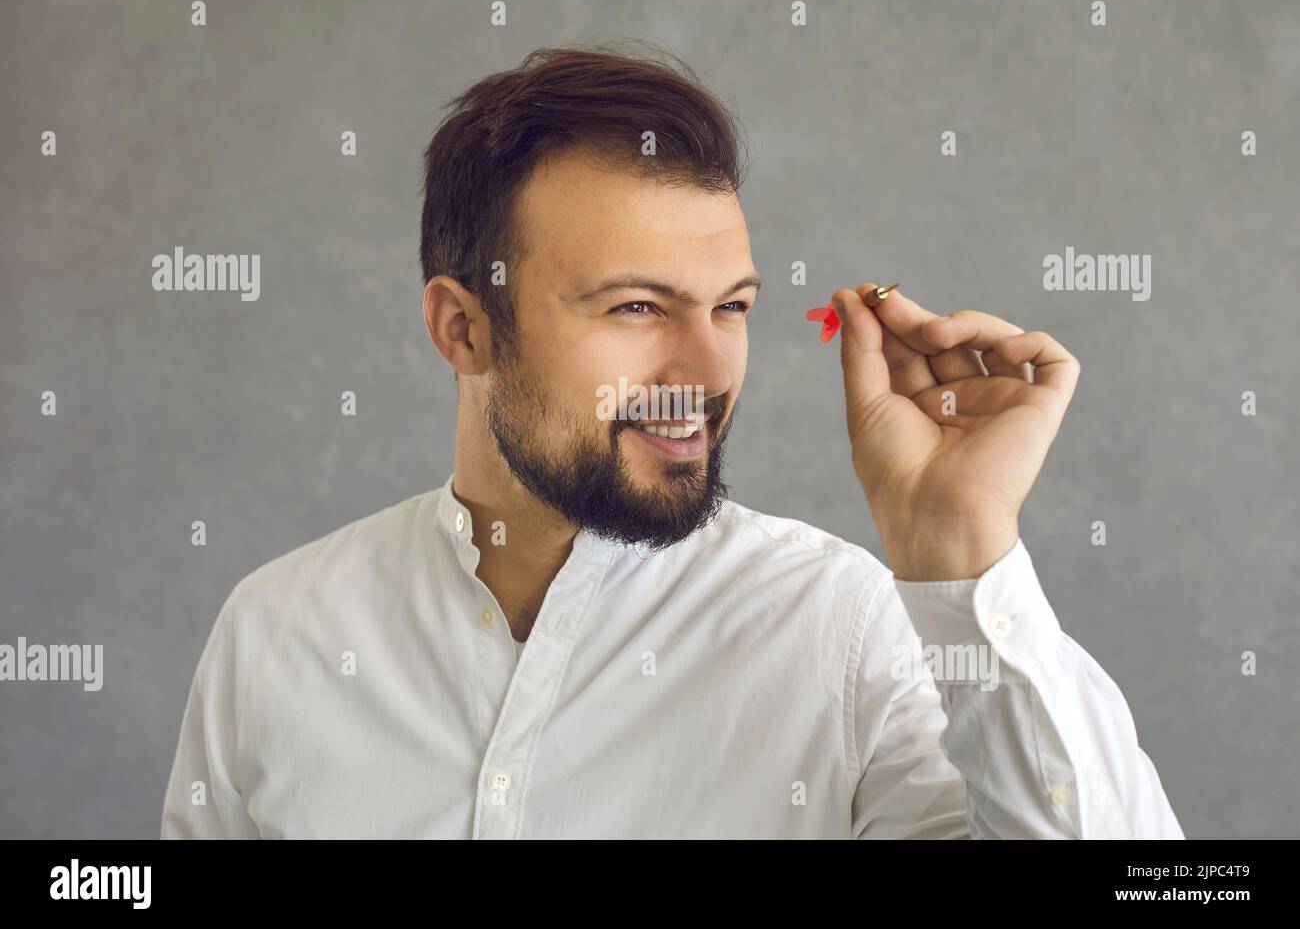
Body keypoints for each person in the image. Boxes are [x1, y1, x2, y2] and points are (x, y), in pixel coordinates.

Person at [161, 42, 1183, 838]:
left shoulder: (845, 630)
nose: (705, 370)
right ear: (463, 326)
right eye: (639, 306)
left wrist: (959, 542)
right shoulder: (278, 631)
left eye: (730, 306)